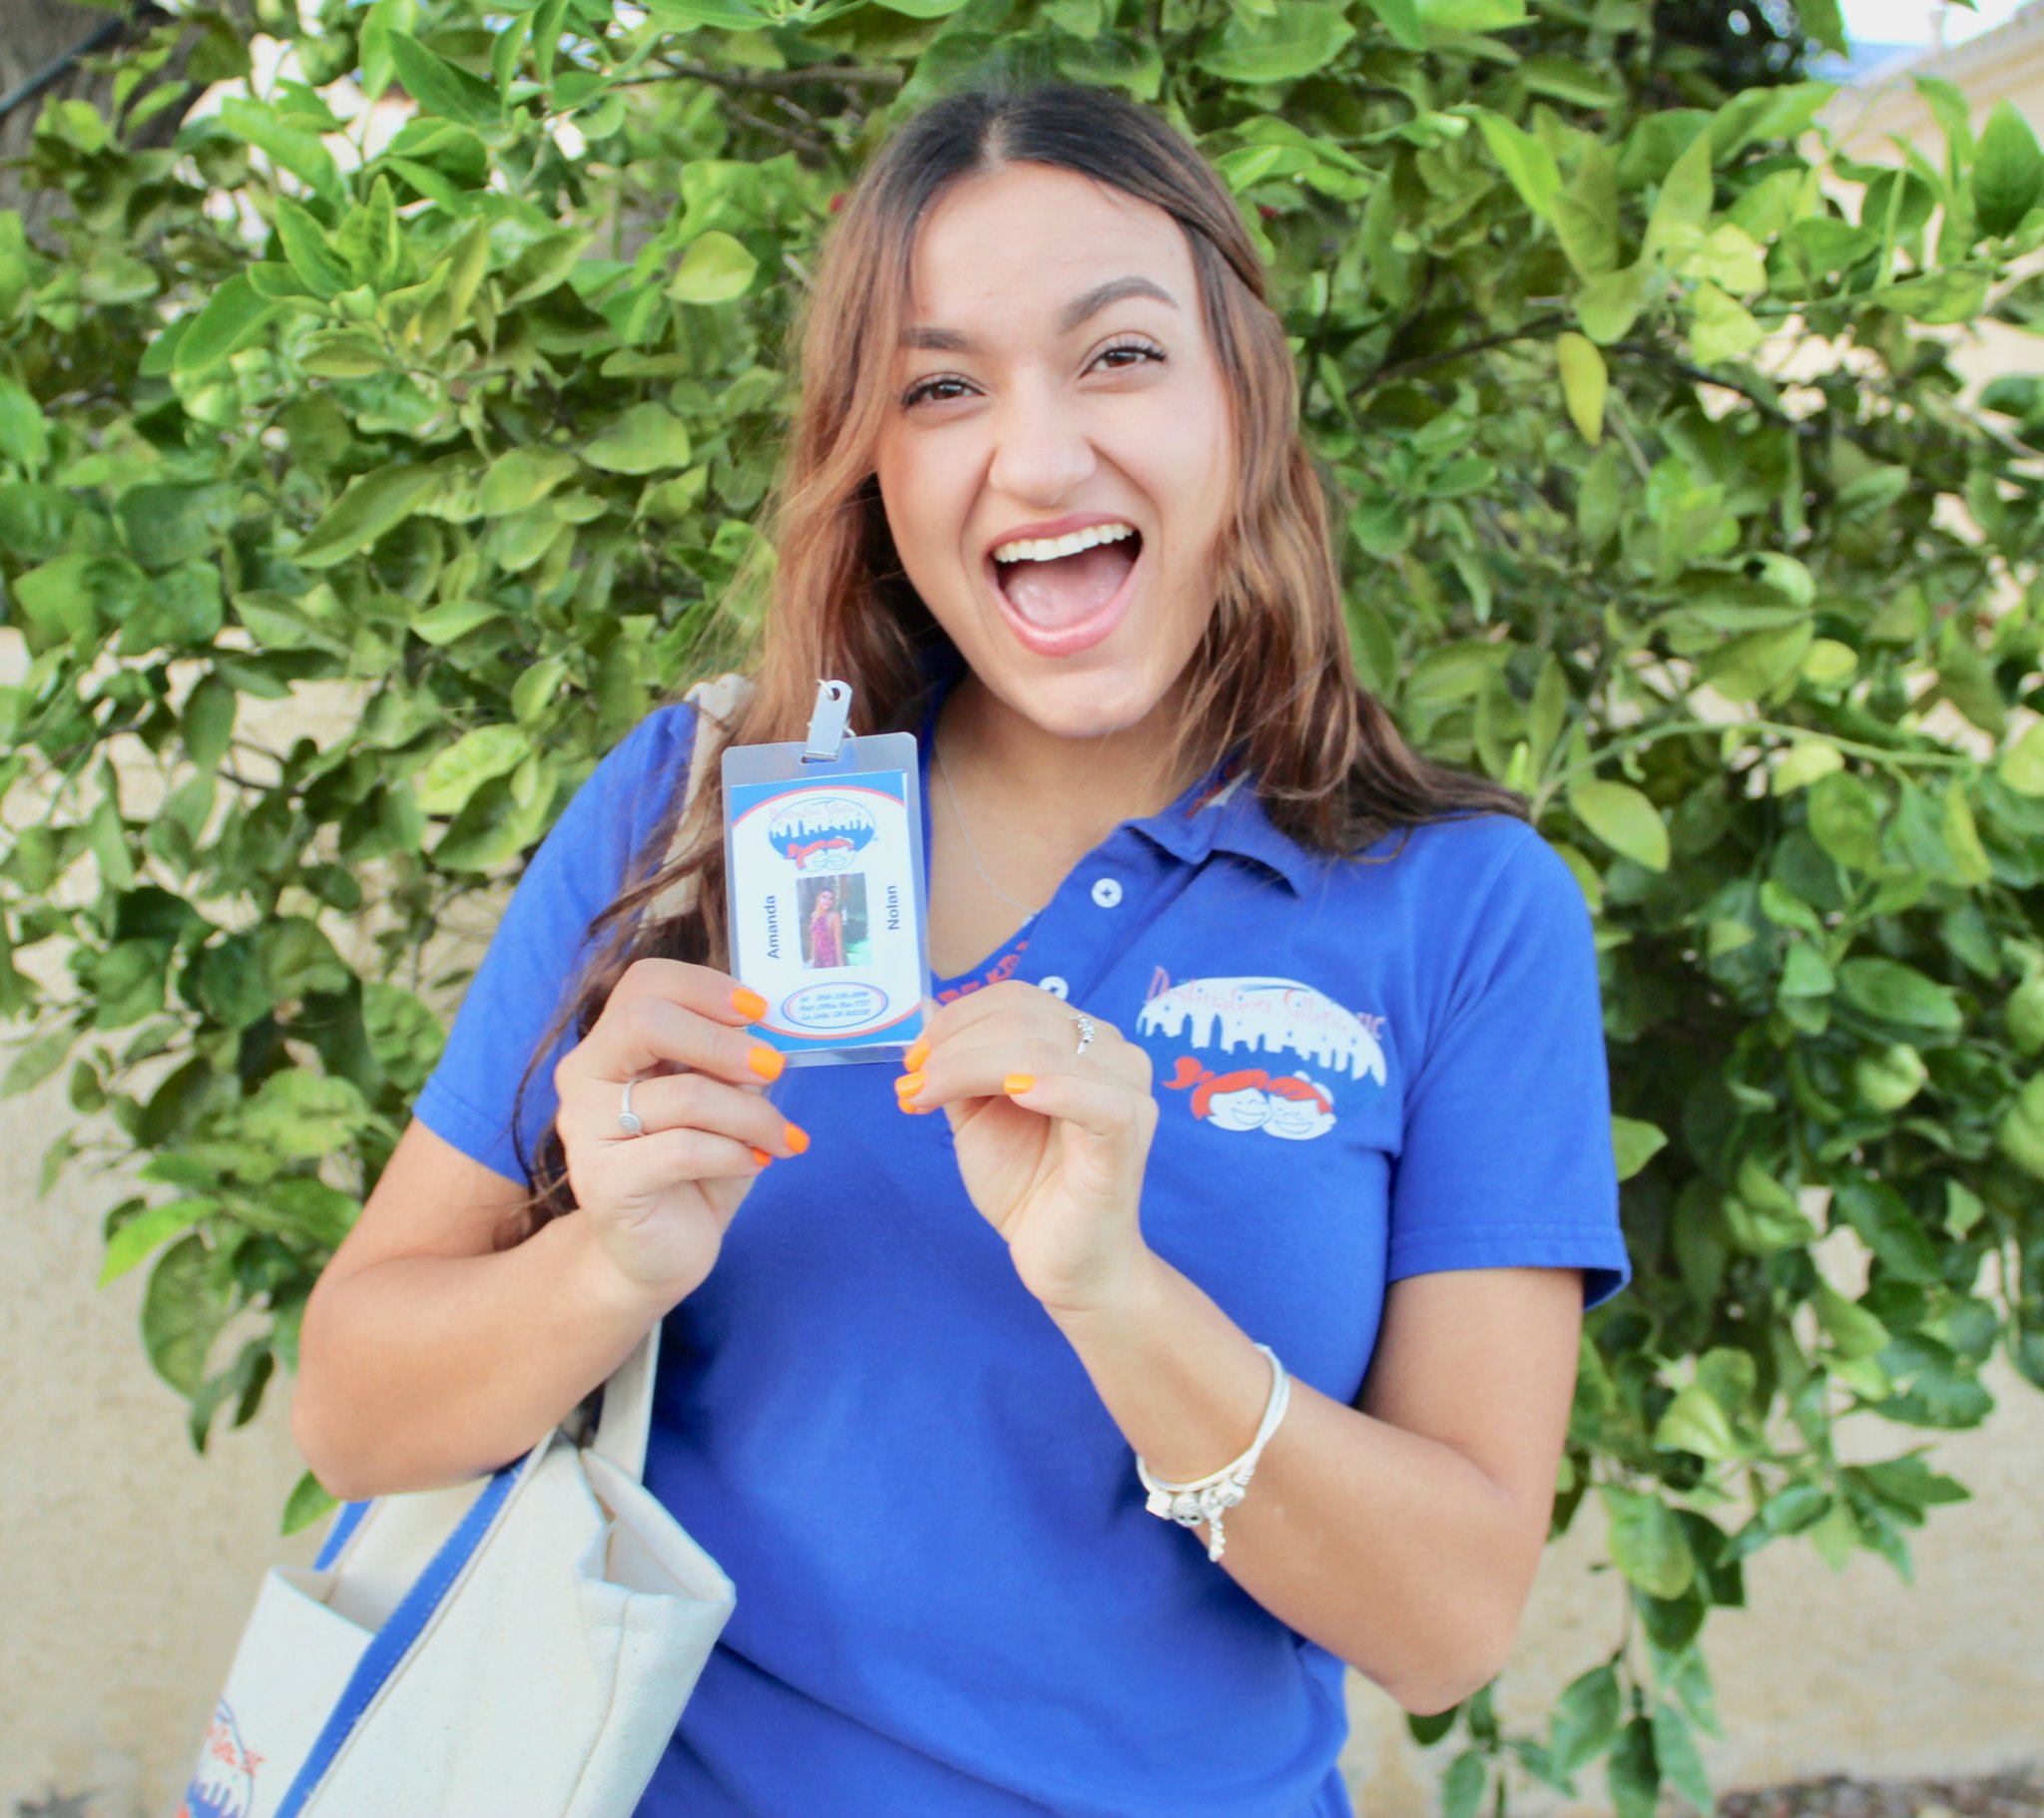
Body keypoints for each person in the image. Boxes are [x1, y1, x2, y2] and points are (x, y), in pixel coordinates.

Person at [290, 80, 1632, 1817]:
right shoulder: (693, 806)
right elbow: (355, 1409)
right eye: (940, 387)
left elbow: (1448, 1624)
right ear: (873, 459)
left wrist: (1116, 1294)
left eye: (1120, 355)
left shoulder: (1460, 908)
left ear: (1243, 395)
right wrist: (608, 1263)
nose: (1039, 454)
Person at [806, 884, 844, 968]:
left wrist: (840, 962)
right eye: (824, 897)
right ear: (819, 898)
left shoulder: (835, 916)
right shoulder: (814, 915)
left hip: (830, 958)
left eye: (830, 899)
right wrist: (812, 958)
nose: (827, 901)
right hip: (818, 957)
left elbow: (838, 941)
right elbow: (814, 939)